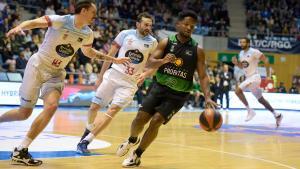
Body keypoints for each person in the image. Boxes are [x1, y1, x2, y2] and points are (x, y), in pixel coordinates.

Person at [0, 0, 129, 166]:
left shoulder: (88, 33)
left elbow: (89, 52)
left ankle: (21, 149)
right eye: (93, 12)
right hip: (38, 66)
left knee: (52, 106)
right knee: (23, 113)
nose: (95, 17)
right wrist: (20, 27)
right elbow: (34, 22)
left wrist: (114, 59)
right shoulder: (61, 20)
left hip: (56, 72)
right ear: (83, 11)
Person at [116, 10, 217, 168]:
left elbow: (203, 76)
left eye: (192, 26)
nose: (189, 28)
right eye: (186, 24)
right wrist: (163, 60)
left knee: (156, 121)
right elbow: (149, 63)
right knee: (140, 119)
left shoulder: (198, 50)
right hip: (158, 87)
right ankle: (132, 140)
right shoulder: (165, 43)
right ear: (178, 25)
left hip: (178, 95)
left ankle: (137, 155)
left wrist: (208, 97)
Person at [76, 12, 159, 154]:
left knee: (112, 111)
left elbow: (154, 64)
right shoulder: (125, 34)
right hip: (113, 75)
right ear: (137, 24)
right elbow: (110, 55)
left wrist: (145, 75)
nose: (148, 28)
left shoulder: (153, 42)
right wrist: (101, 76)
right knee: (94, 107)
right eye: (145, 24)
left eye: (150, 25)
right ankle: (88, 130)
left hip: (130, 83)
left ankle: (86, 141)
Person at [232, 37, 282, 127]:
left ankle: (250, 111)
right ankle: (277, 114)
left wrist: (268, 75)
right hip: (249, 78)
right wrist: (236, 63)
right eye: (241, 42)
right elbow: (242, 67)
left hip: (255, 77)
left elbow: (266, 60)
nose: (241, 44)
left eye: (243, 42)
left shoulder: (254, 51)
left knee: (237, 91)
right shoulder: (241, 53)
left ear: (248, 43)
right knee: (261, 99)